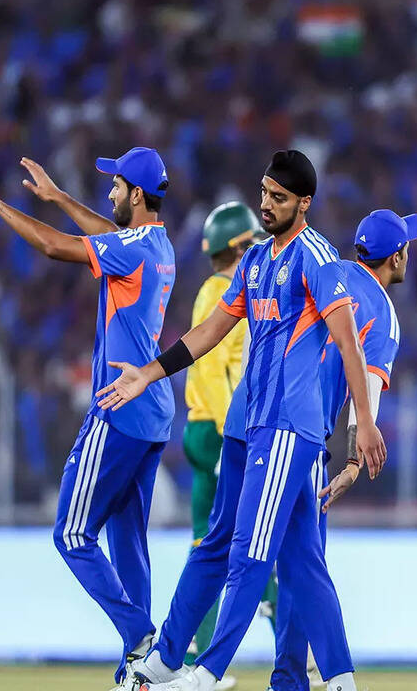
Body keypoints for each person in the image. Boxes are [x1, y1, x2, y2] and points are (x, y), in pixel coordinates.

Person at [98, 149, 386, 691]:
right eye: (264, 193)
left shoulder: (318, 257)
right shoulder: (255, 261)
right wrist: (150, 373)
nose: (266, 204)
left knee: (249, 552)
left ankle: (207, 672)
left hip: (287, 427)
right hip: (249, 424)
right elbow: (211, 330)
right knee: (292, 558)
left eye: (279, 197)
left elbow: (349, 343)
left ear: (304, 203)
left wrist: (363, 424)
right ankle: (335, 677)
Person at [0, 149, 175, 688]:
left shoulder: (132, 247)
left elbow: (55, 246)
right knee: (129, 543)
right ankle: (140, 673)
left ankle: (144, 640)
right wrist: (58, 198)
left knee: (73, 533)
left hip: (118, 407)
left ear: (137, 195)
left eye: (117, 185)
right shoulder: (158, 245)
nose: (110, 192)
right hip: (153, 413)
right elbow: (108, 233)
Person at [271, 208, 417, 691]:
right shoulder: (383, 313)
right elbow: (367, 395)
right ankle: (323, 677)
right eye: (406, 248)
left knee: (280, 557)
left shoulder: (326, 269)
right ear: (396, 257)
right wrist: (356, 460)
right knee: (302, 561)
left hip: (260, 418)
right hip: (304, 438)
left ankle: (285, 678)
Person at [183, 201, 266, 684]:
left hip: (203, 427)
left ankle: (197, 648)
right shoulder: (224, 293)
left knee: (208, 540)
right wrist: (229, 433)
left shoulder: (212, 290)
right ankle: (294, 645)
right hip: (220, 431)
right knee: (250, 537)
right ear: (240, 247)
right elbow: (212, 369)